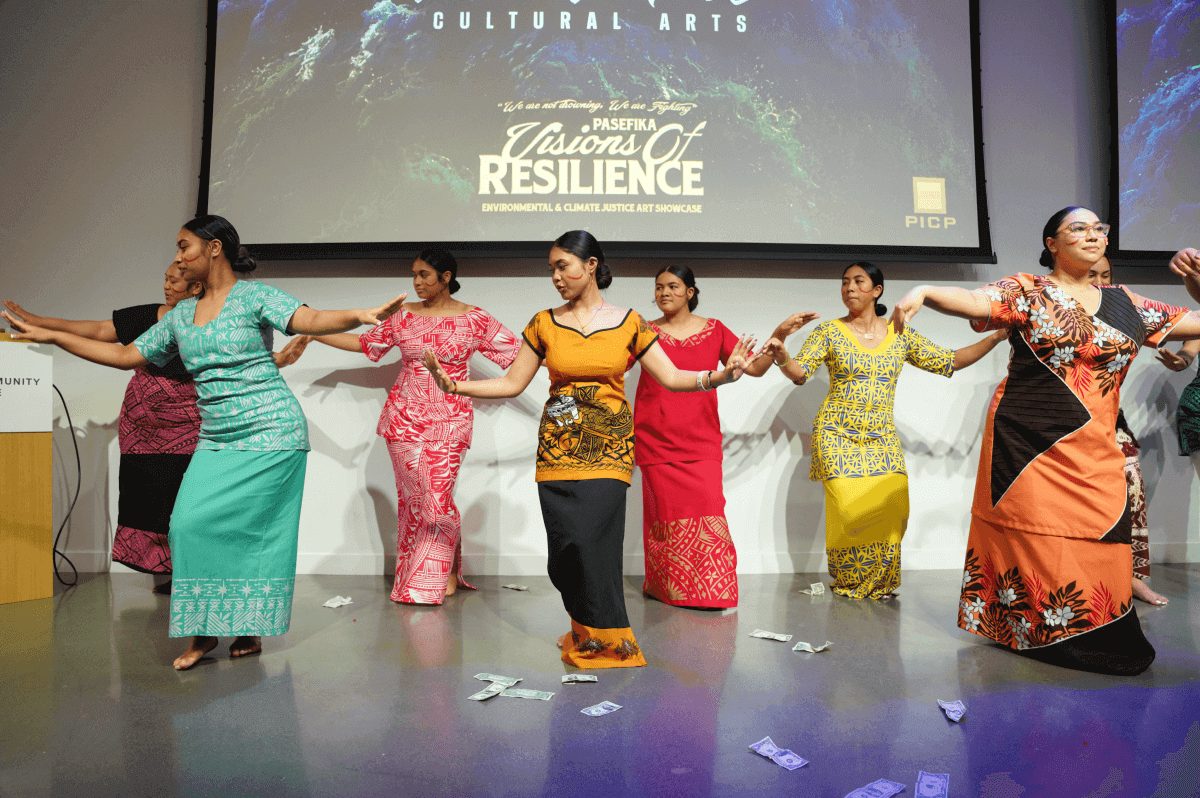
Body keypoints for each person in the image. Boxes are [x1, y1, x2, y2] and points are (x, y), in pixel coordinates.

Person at [3, 215, 404, 670]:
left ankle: (248, 630)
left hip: (271, 433)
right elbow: (123, 355)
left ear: (214, 249)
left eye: (184, 247)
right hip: (216, 437)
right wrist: (54, 336)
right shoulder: (179, 316)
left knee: (254, 534)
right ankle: (204, 633)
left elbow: (307, 319)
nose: (177, 258)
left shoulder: (254, 296)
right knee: (187, 525)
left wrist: (360, 315)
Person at [421, 230, 753, 668]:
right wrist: (455, 385)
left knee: (595, 542)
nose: (556, 277)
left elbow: (672, 378)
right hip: (557, 449)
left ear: (591, 265)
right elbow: (511, 382)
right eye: (552, 269)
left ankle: (611, 641)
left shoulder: (631, 321)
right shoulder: (543, 322)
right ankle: (584, 630)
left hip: (610, 447)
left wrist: (720, 377)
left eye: (564, 266)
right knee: (564, 553)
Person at [890, 207, 1198, 675]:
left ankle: (1082, 626)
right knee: (1031, 534)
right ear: (1052, 244)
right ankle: (1031, 631)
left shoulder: (1128, 304)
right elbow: (974, 302)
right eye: (1078, 228)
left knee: (1102, 533)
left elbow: (1194, 324)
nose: (1092, 235)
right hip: (1027, 439)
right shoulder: (1028, 290)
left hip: (1097, 442)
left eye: (1100, 228)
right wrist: (926, 291)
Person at [3, 273, 308, 593]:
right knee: (151, 497)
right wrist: (40, 324)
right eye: (166, 279)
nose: (167, 285)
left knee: (194, 501)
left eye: (176, 281)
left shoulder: (220, 320)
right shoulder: (151, 316)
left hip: (197, 420)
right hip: (144, 425)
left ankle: (200, 572)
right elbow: (98, 330)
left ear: (197, 287)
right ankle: (174, 572)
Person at [758, 262, 1007, 601]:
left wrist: (997, 336)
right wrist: (784, 357)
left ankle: (881, 585)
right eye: (844, 282)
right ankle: (849, 582)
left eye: (858, 282)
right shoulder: (828, 332)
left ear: (877, 290)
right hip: (836, 434)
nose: (849, 288)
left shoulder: (899, 333)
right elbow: (801, 374)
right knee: (848, 511)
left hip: (882, 438)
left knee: (893, 508)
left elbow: (949, 361)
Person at [305, 250, 520, 605]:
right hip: (404, 418)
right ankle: (435, 571)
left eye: (425, 275)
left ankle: (436, 574)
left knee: (436, 500)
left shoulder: (475, 319)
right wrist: (314, 333)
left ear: (446, 276)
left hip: (451, 417)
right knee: (414, 501)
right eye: (414, 275)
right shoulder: (403, 317)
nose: (417, 282)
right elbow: (365, 344)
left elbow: (519, 355)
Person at [632, 264, 791, 609]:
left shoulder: (715, 329)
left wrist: (778, 337)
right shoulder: (642, 330)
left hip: (701, 437)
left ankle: (711, 592)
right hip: (655, 436)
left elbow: (754, 369)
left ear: (690, 292)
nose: (663, 293)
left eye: (672, 286)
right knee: (665, 517)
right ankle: (666, 588)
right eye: (658, 287)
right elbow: (612, 366)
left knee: (707, 507)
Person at [1086, 256, 1171, 606]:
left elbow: (1180, 326)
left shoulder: (1120, 308)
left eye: (1106, 275)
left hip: (1111, 420)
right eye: (1093, 275)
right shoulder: (1051, 305)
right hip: (1063, 424)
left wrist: (1185, 357)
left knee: (1132, 490)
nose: (1101, 281)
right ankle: (1090, 577)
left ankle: (1133, 577)